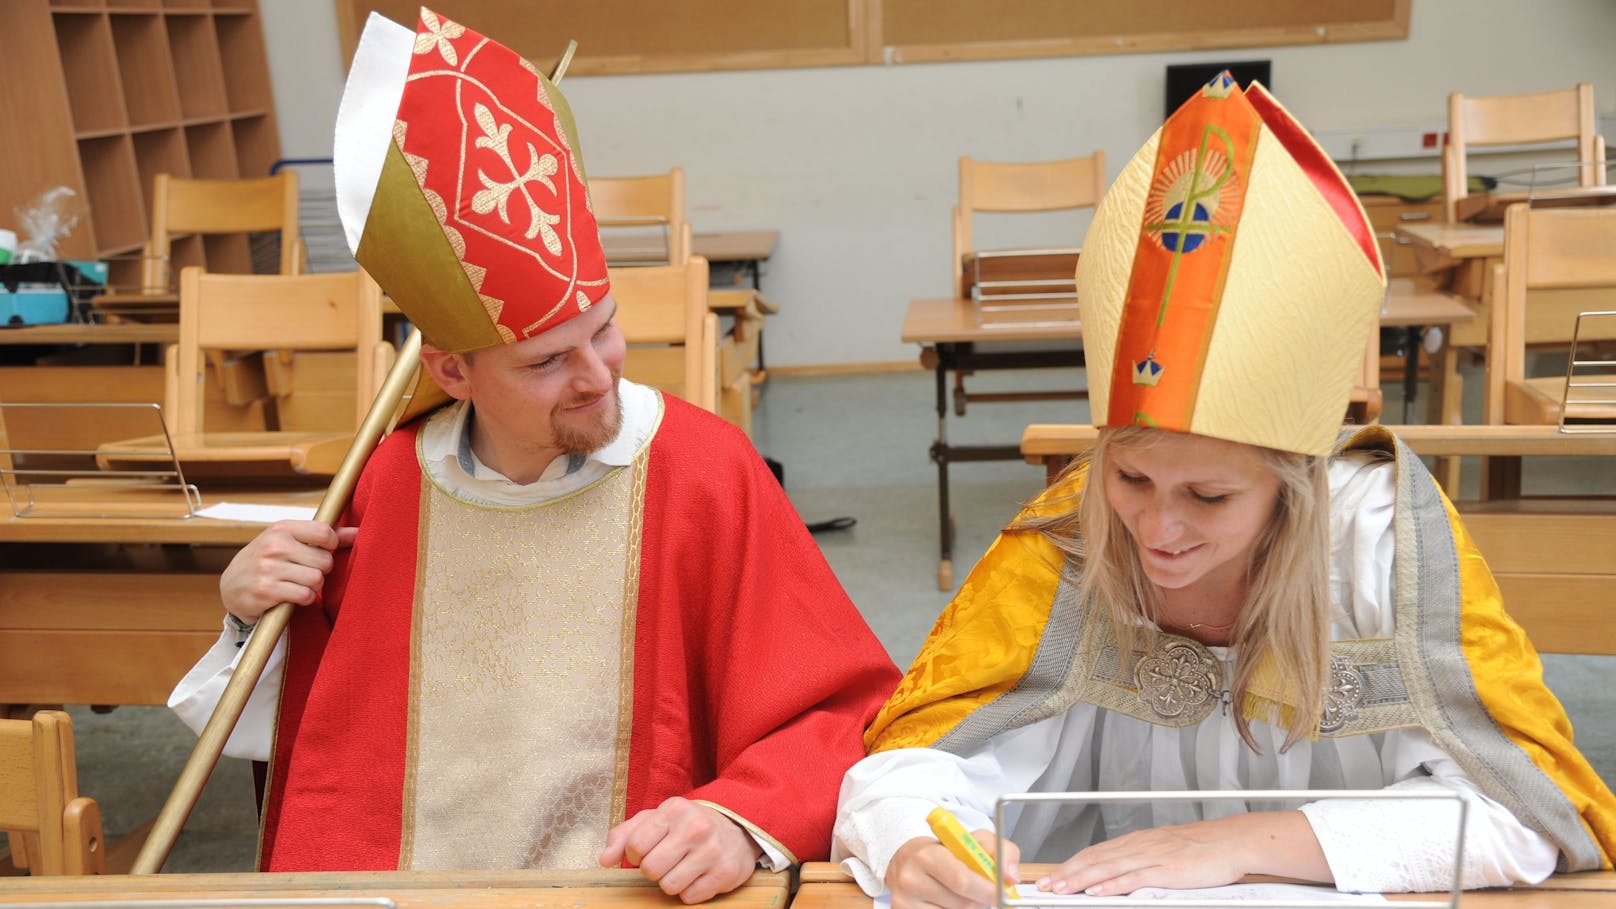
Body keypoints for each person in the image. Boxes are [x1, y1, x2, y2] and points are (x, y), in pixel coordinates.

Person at [832, 73, 1616, 906]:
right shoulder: (1066, 538)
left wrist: (1239, 844)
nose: (1157, 527)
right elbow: (907, 766)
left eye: (1209, 497)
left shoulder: (1385, 546)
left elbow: (1532, 811)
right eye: (1131, 477)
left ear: (1295, 490)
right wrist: (913, 836)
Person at [169, 9, 900, 900]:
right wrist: (251, 618)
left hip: (620, 893)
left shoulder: (701, 469)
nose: (597, 376)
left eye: (605, 329)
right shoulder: (392, 483)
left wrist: (737, 818)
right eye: (547, 361)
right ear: (451, 370)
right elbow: (304, 739)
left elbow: (840, 709)